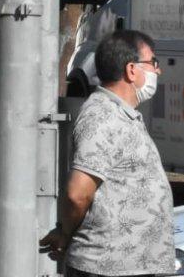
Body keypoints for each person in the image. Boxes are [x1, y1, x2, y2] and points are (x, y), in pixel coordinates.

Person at [39, 30, 172, 277]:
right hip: (106, 267)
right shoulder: (100, 116)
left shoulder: (120, 113)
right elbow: (78, 193)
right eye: (153, 63)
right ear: (131, 70)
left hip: (128, 267)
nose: (158, 71)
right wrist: (66, 233)